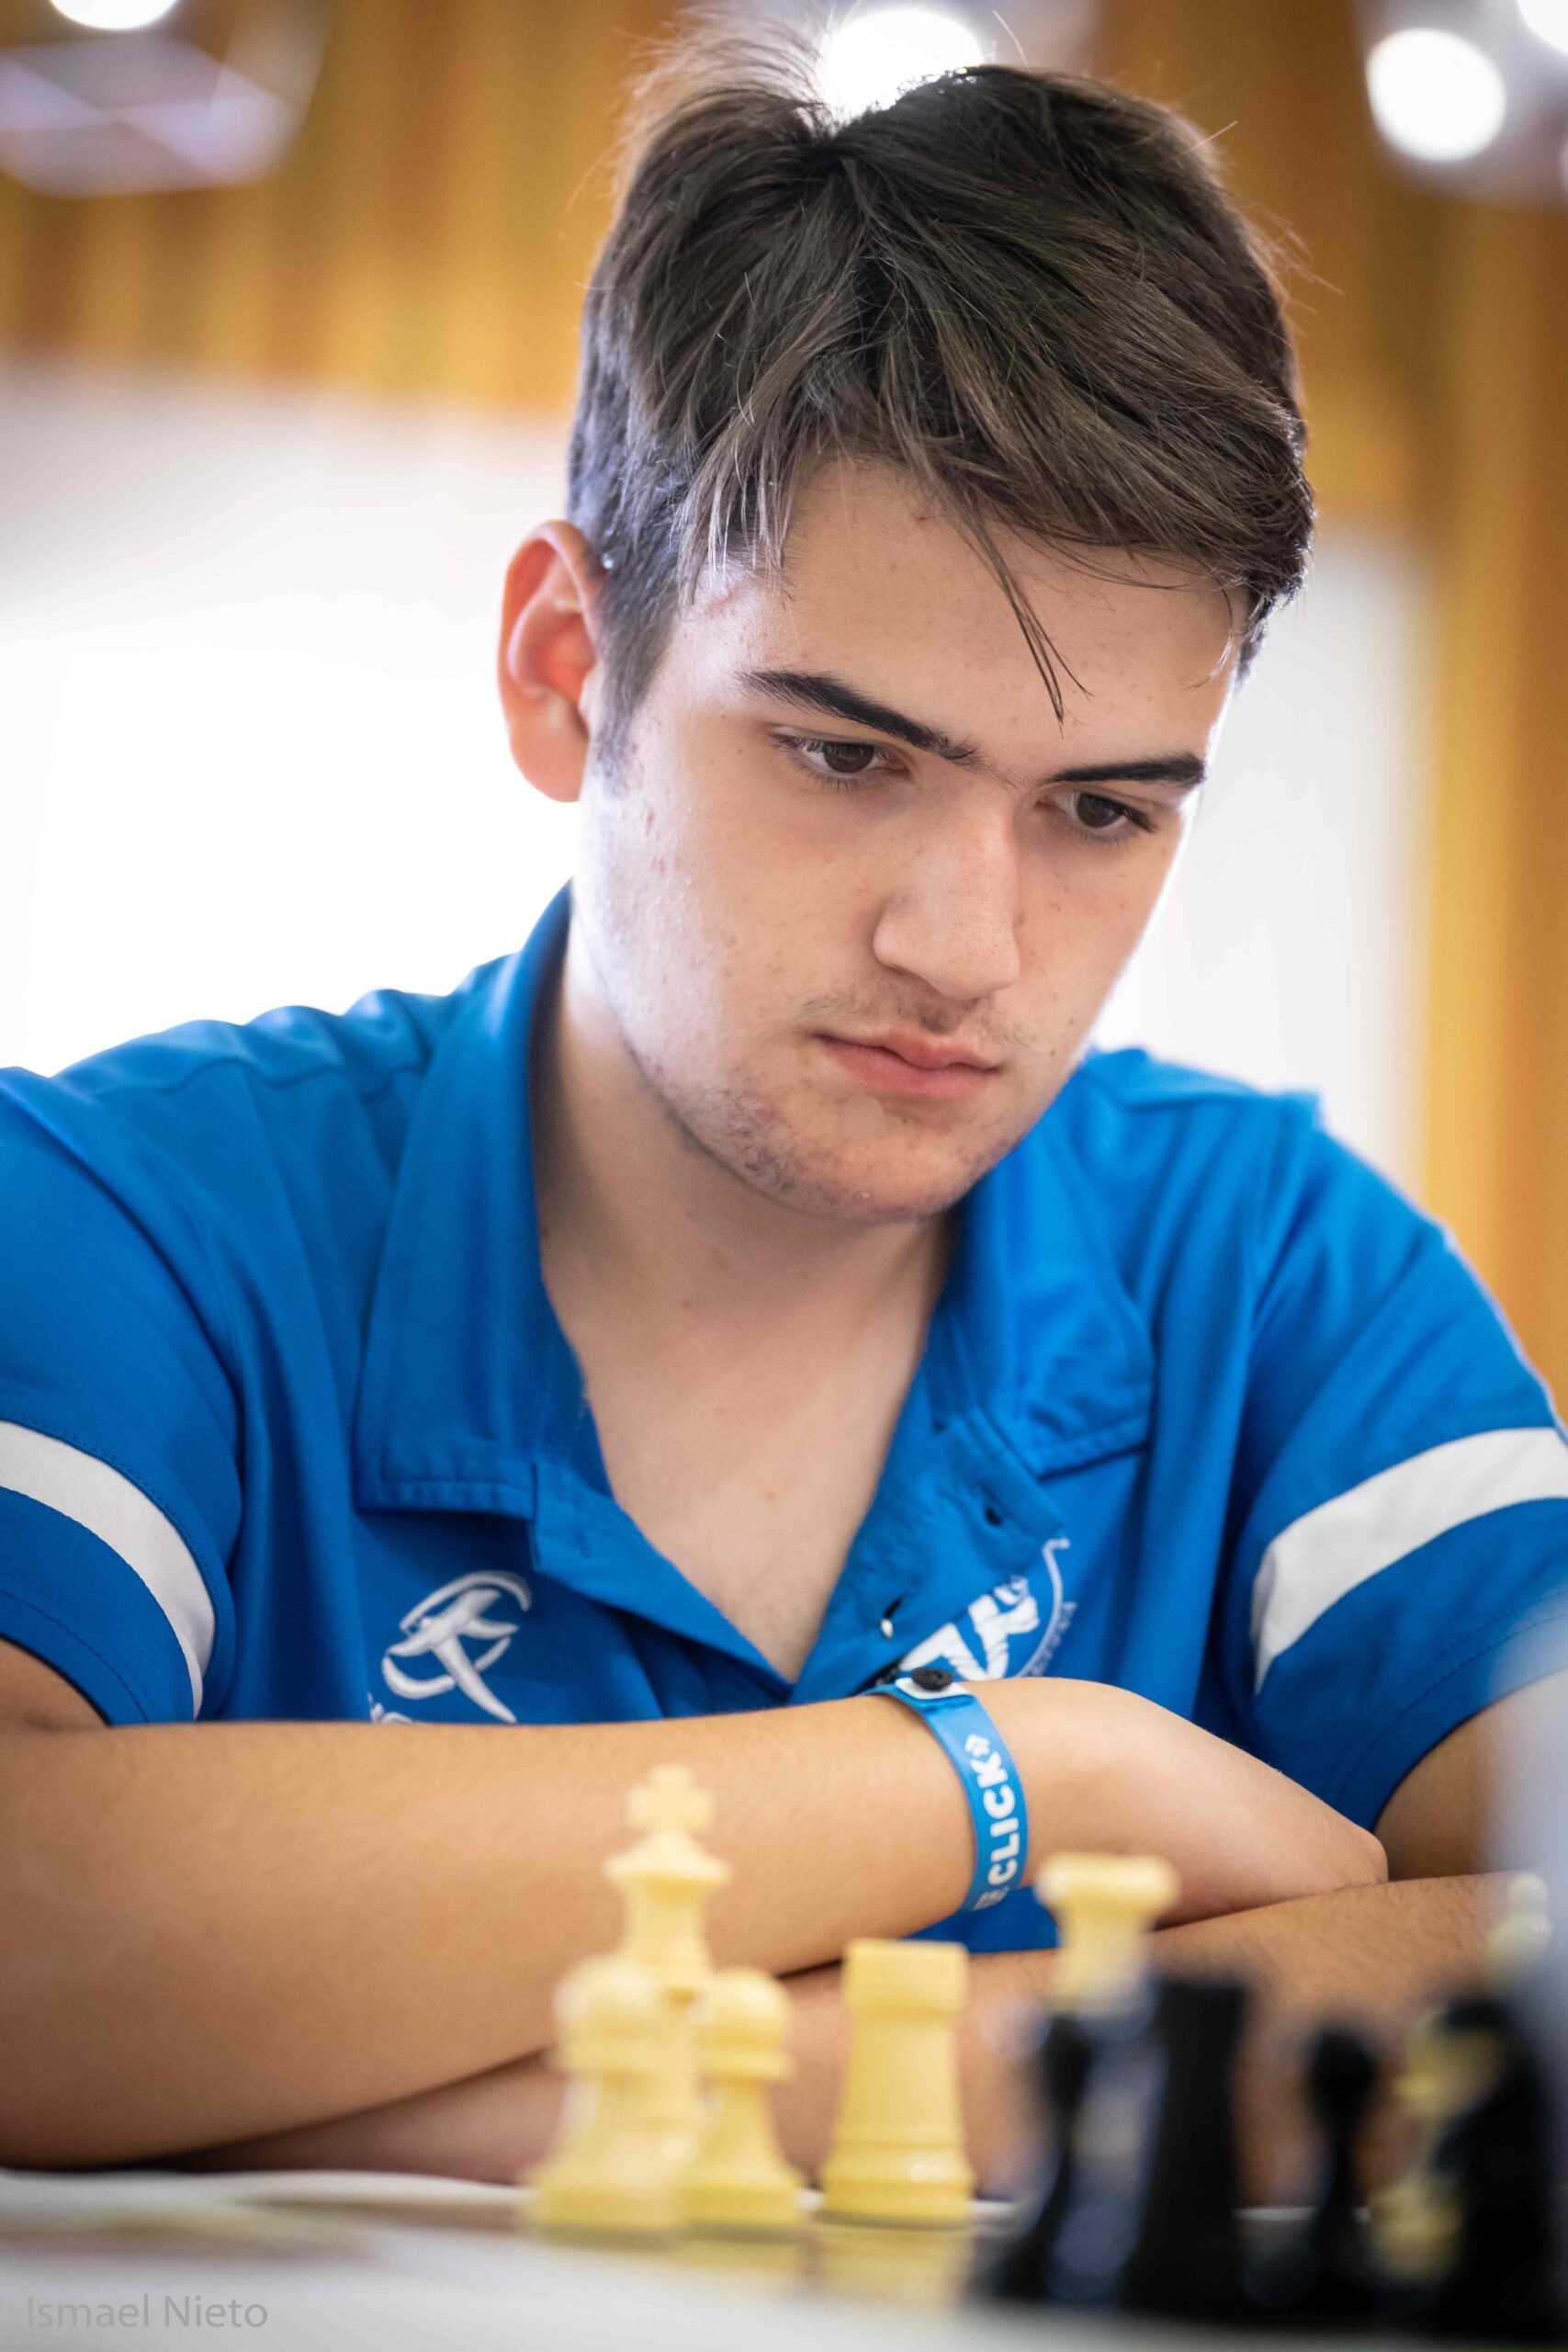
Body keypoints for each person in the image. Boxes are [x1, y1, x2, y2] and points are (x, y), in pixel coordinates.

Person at [1, 35, 1563, 2191]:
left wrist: (554, 2098)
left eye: (1100, 808)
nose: (967, 943)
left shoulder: (1286, 1269)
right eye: (845, 756)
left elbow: (1543, 1955)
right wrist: (1012, 1772)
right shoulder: (117, 1210)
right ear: (567, 668)